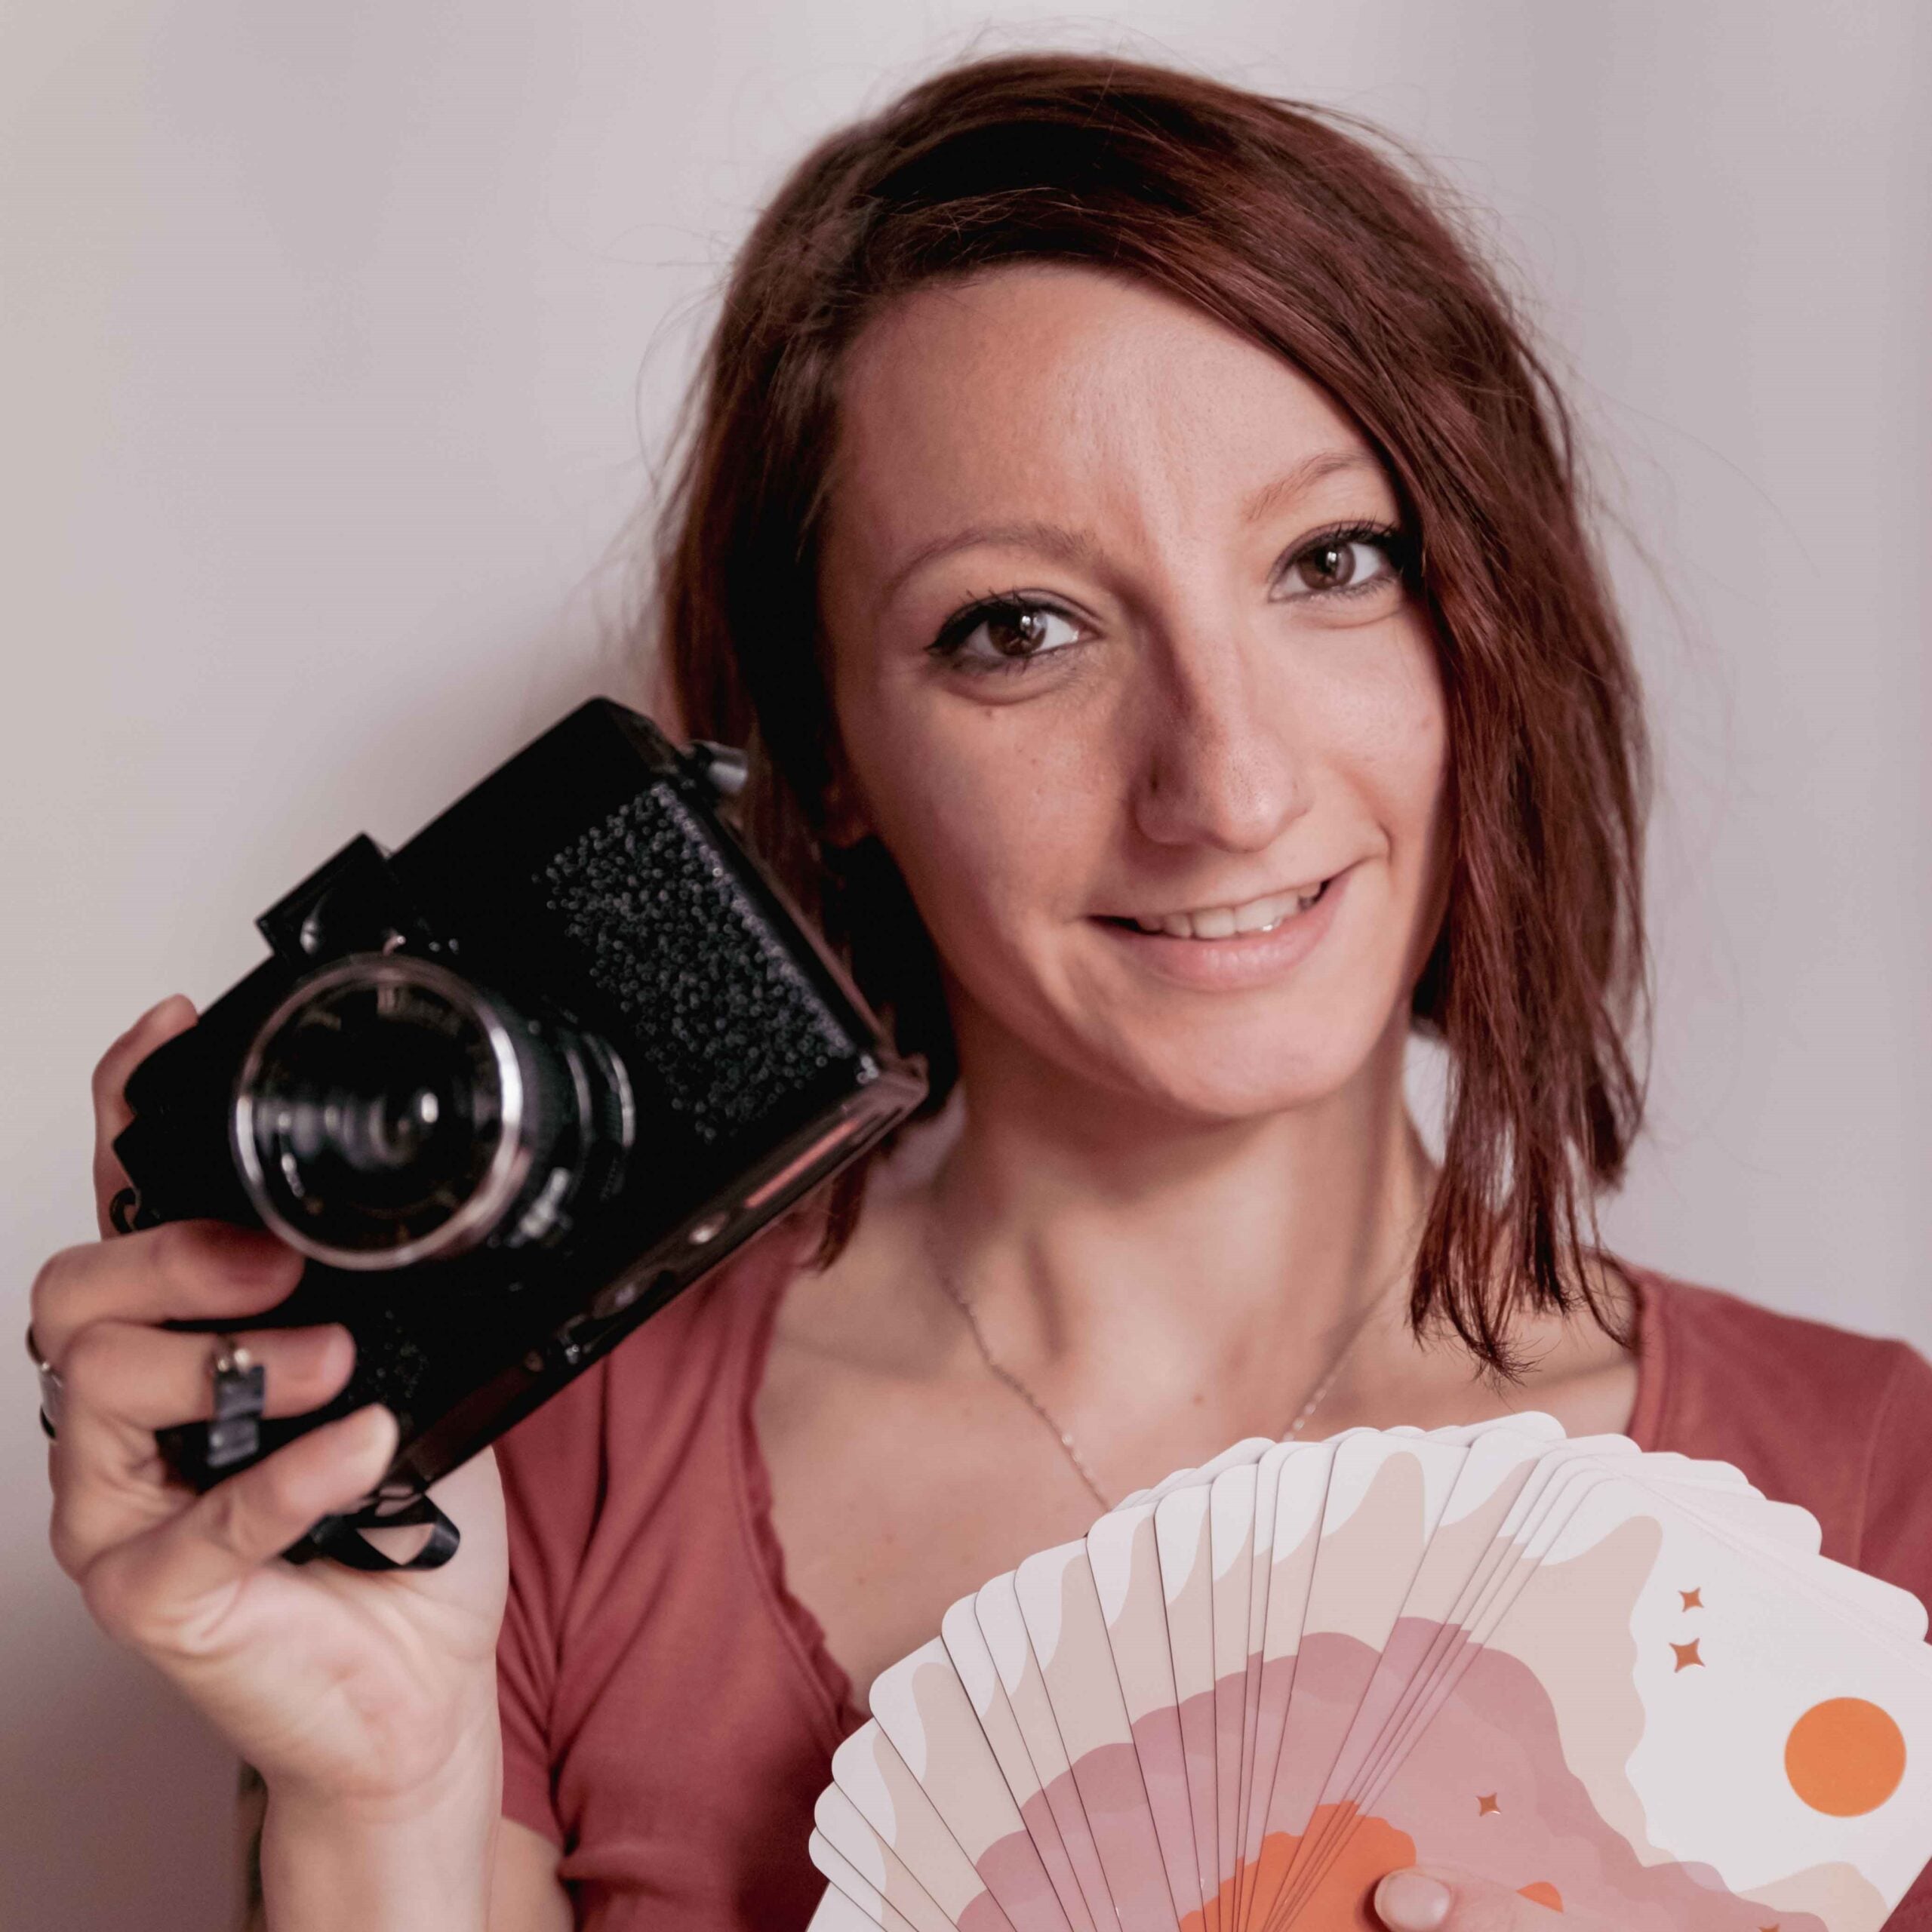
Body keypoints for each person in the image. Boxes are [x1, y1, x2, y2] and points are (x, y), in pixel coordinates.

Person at [31, 51, 1932, 1932]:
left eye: (1329, 560)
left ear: (1479, 628)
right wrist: (379, 1799)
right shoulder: (529, 1484)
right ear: (825, 755)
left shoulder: (1871, 1490)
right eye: (1018, 629)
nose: (1226, 786)